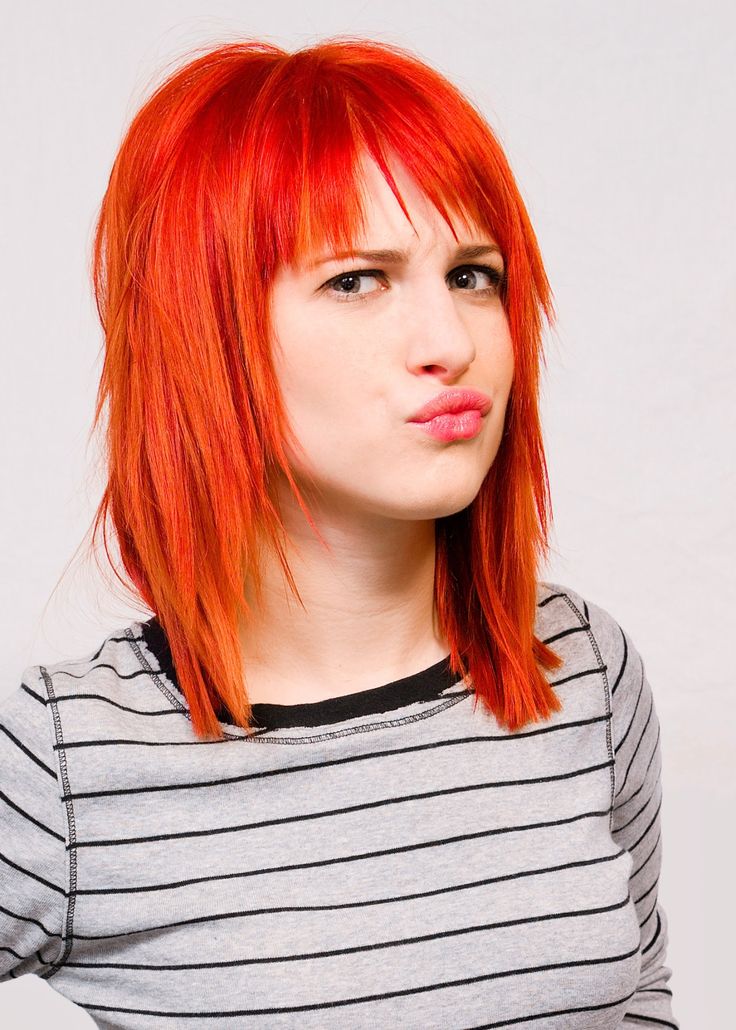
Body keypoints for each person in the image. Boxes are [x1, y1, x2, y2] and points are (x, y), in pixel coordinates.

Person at [0, 36, 679, 1028]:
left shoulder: (581, 668)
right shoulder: (70, 762)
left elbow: (645, 998)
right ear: (206, 329)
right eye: (357, 279)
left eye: (474, 274)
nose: (450, 343)